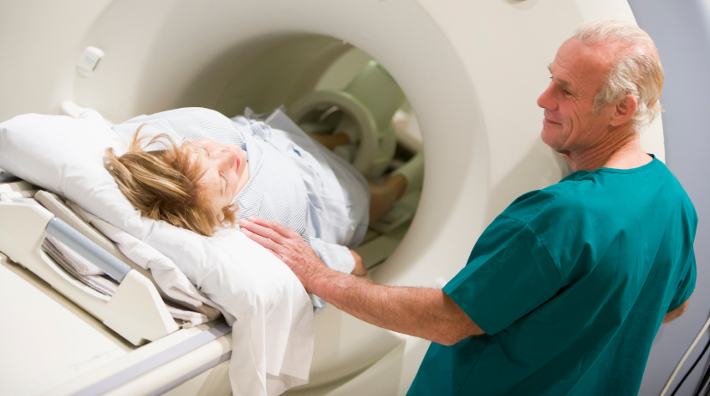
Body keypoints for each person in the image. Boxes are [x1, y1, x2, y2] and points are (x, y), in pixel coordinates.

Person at [239, 19, 697, 395]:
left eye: (567, 90)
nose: (544, 99)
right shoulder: (672, 200)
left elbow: (446, 319)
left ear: (622, 109)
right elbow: (672, 305)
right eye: (550, 78)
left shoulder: (561, 216)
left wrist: (319, 275)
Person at [105, 107, 423, 296]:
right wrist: (348, 263)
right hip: (329, 199)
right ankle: (414, 170)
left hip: (278, 141)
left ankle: (346, 136)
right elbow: (342, 261)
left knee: (319, 141)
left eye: (203, 151)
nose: (228, 154)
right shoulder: (250, 227)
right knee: (377, 194)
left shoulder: (175, 147)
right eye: (225, 180)